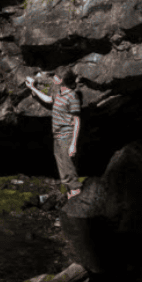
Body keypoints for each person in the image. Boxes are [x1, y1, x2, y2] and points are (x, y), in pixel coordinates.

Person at [25, 66, 82, 199]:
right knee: (64, 174)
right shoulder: (58, 92)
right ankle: (70, 201)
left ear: (62, 80)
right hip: (57, 136)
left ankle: (77, 205)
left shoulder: (72, 96)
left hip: (66, 137)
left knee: (70, 173)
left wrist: (73, 144)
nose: (54, 78)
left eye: (56, 77)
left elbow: (77, 121)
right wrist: (32, 87)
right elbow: (48, 99)